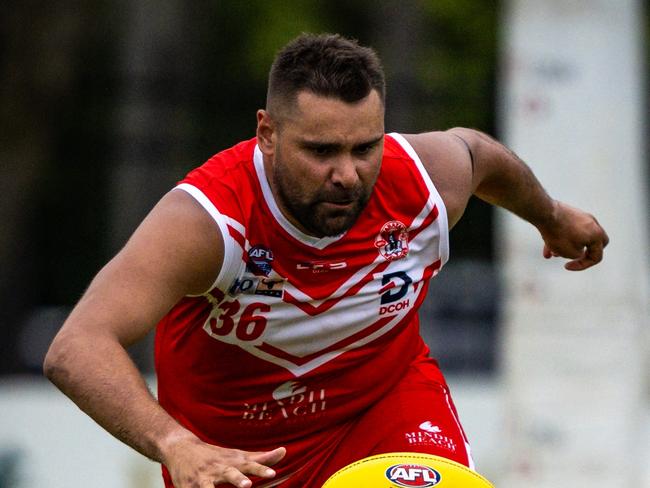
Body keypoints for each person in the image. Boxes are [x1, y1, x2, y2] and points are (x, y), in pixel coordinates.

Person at [44, 33, 608, 488]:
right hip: (238, 457)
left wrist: (551, 216)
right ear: (267, 132)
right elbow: (77, 347)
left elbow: (481, 155)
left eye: (365, 147)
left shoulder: (423, 179)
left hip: (384, 409)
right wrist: (177, 446)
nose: (347, 174)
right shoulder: (209, 222)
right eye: (320, 151)